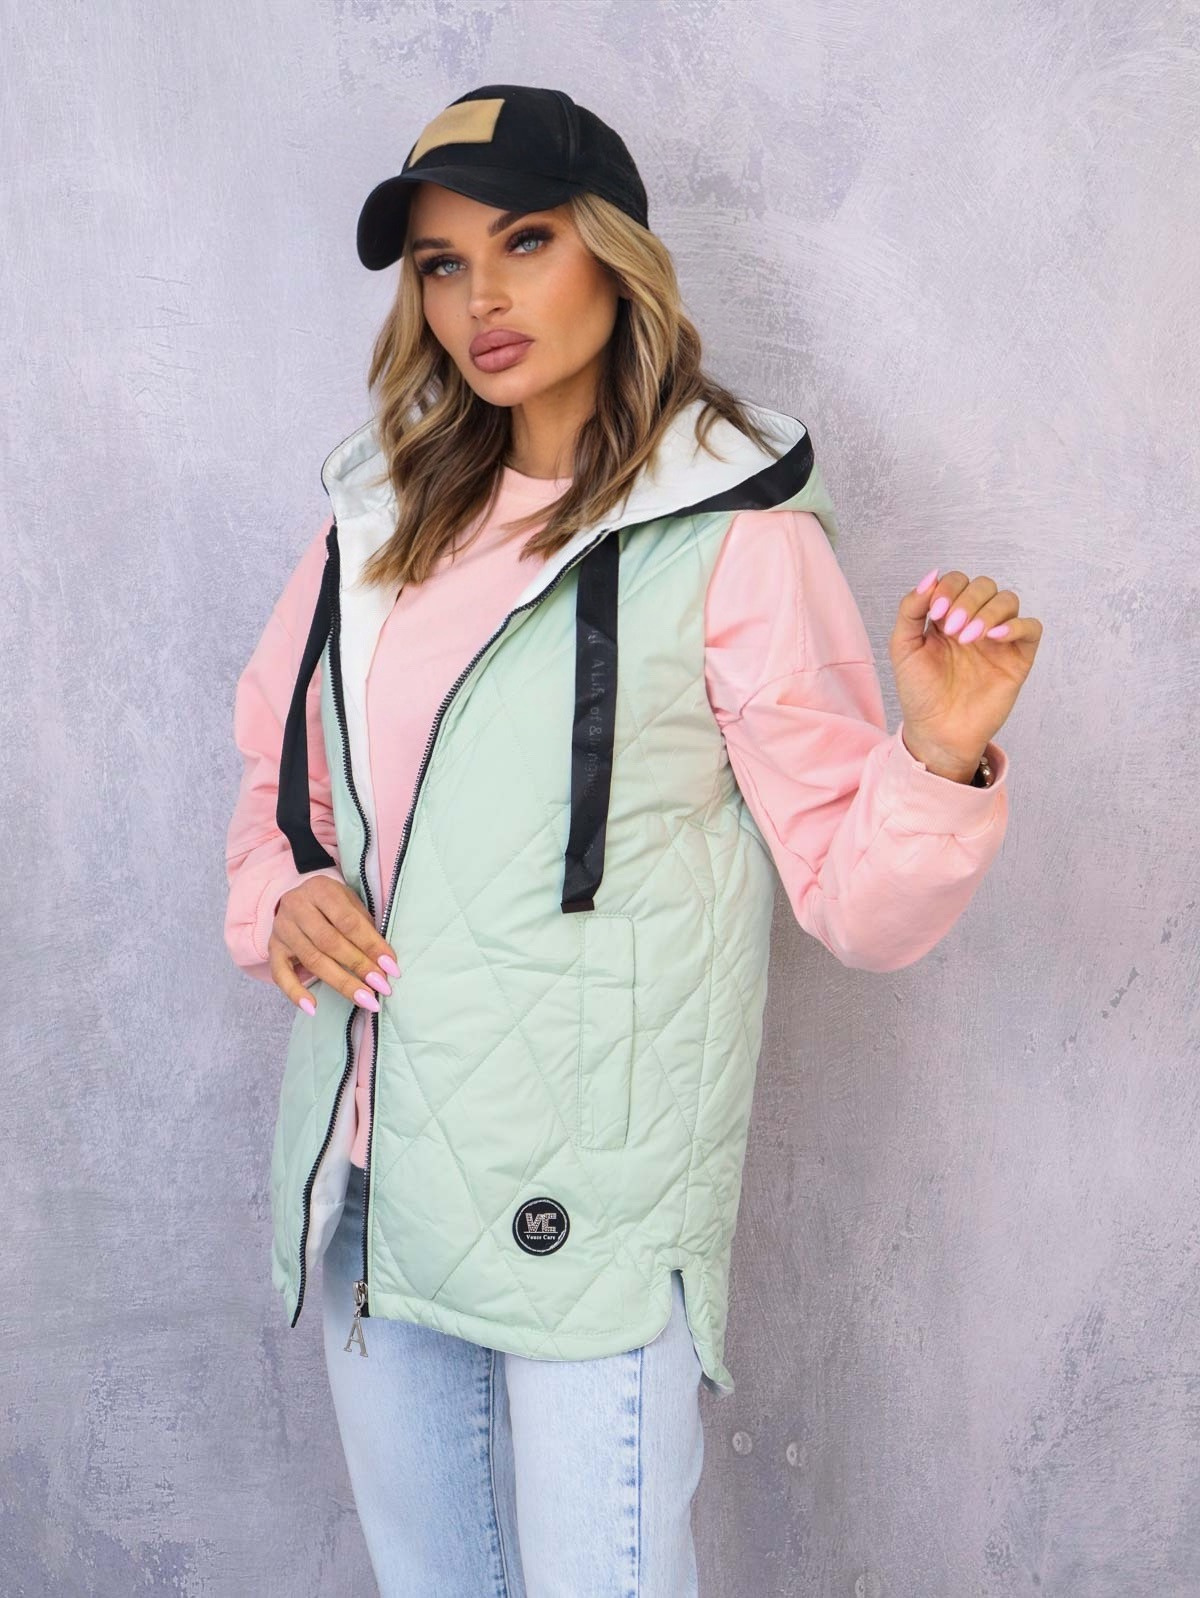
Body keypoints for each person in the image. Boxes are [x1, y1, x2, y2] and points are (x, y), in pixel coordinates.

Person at [223, 83, 1041, 1598]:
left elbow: (854, 896)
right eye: (442, 264)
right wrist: (286, 893)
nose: (482, 298)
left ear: (615, 251)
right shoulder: (377, 517)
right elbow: (287, 788)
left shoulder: (735, 528)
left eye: (524, 242)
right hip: (372, 1175)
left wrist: (936, 752)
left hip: (590, 1201)